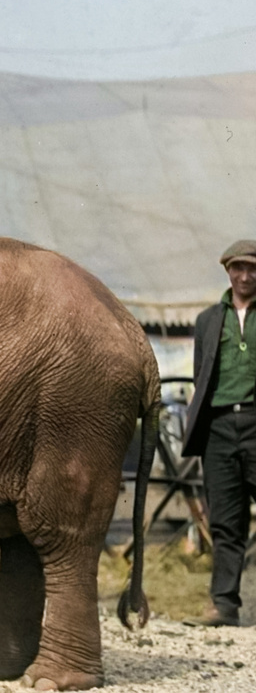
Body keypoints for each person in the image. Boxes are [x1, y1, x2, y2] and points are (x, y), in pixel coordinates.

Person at [182, 239, 256, 627]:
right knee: (226, 521)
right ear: (228, 271)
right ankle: (224, 606)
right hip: (220, 430)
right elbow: (201, 377)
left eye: (253, 269)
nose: (245, 276)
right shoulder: (209, 320)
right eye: (238, 268)